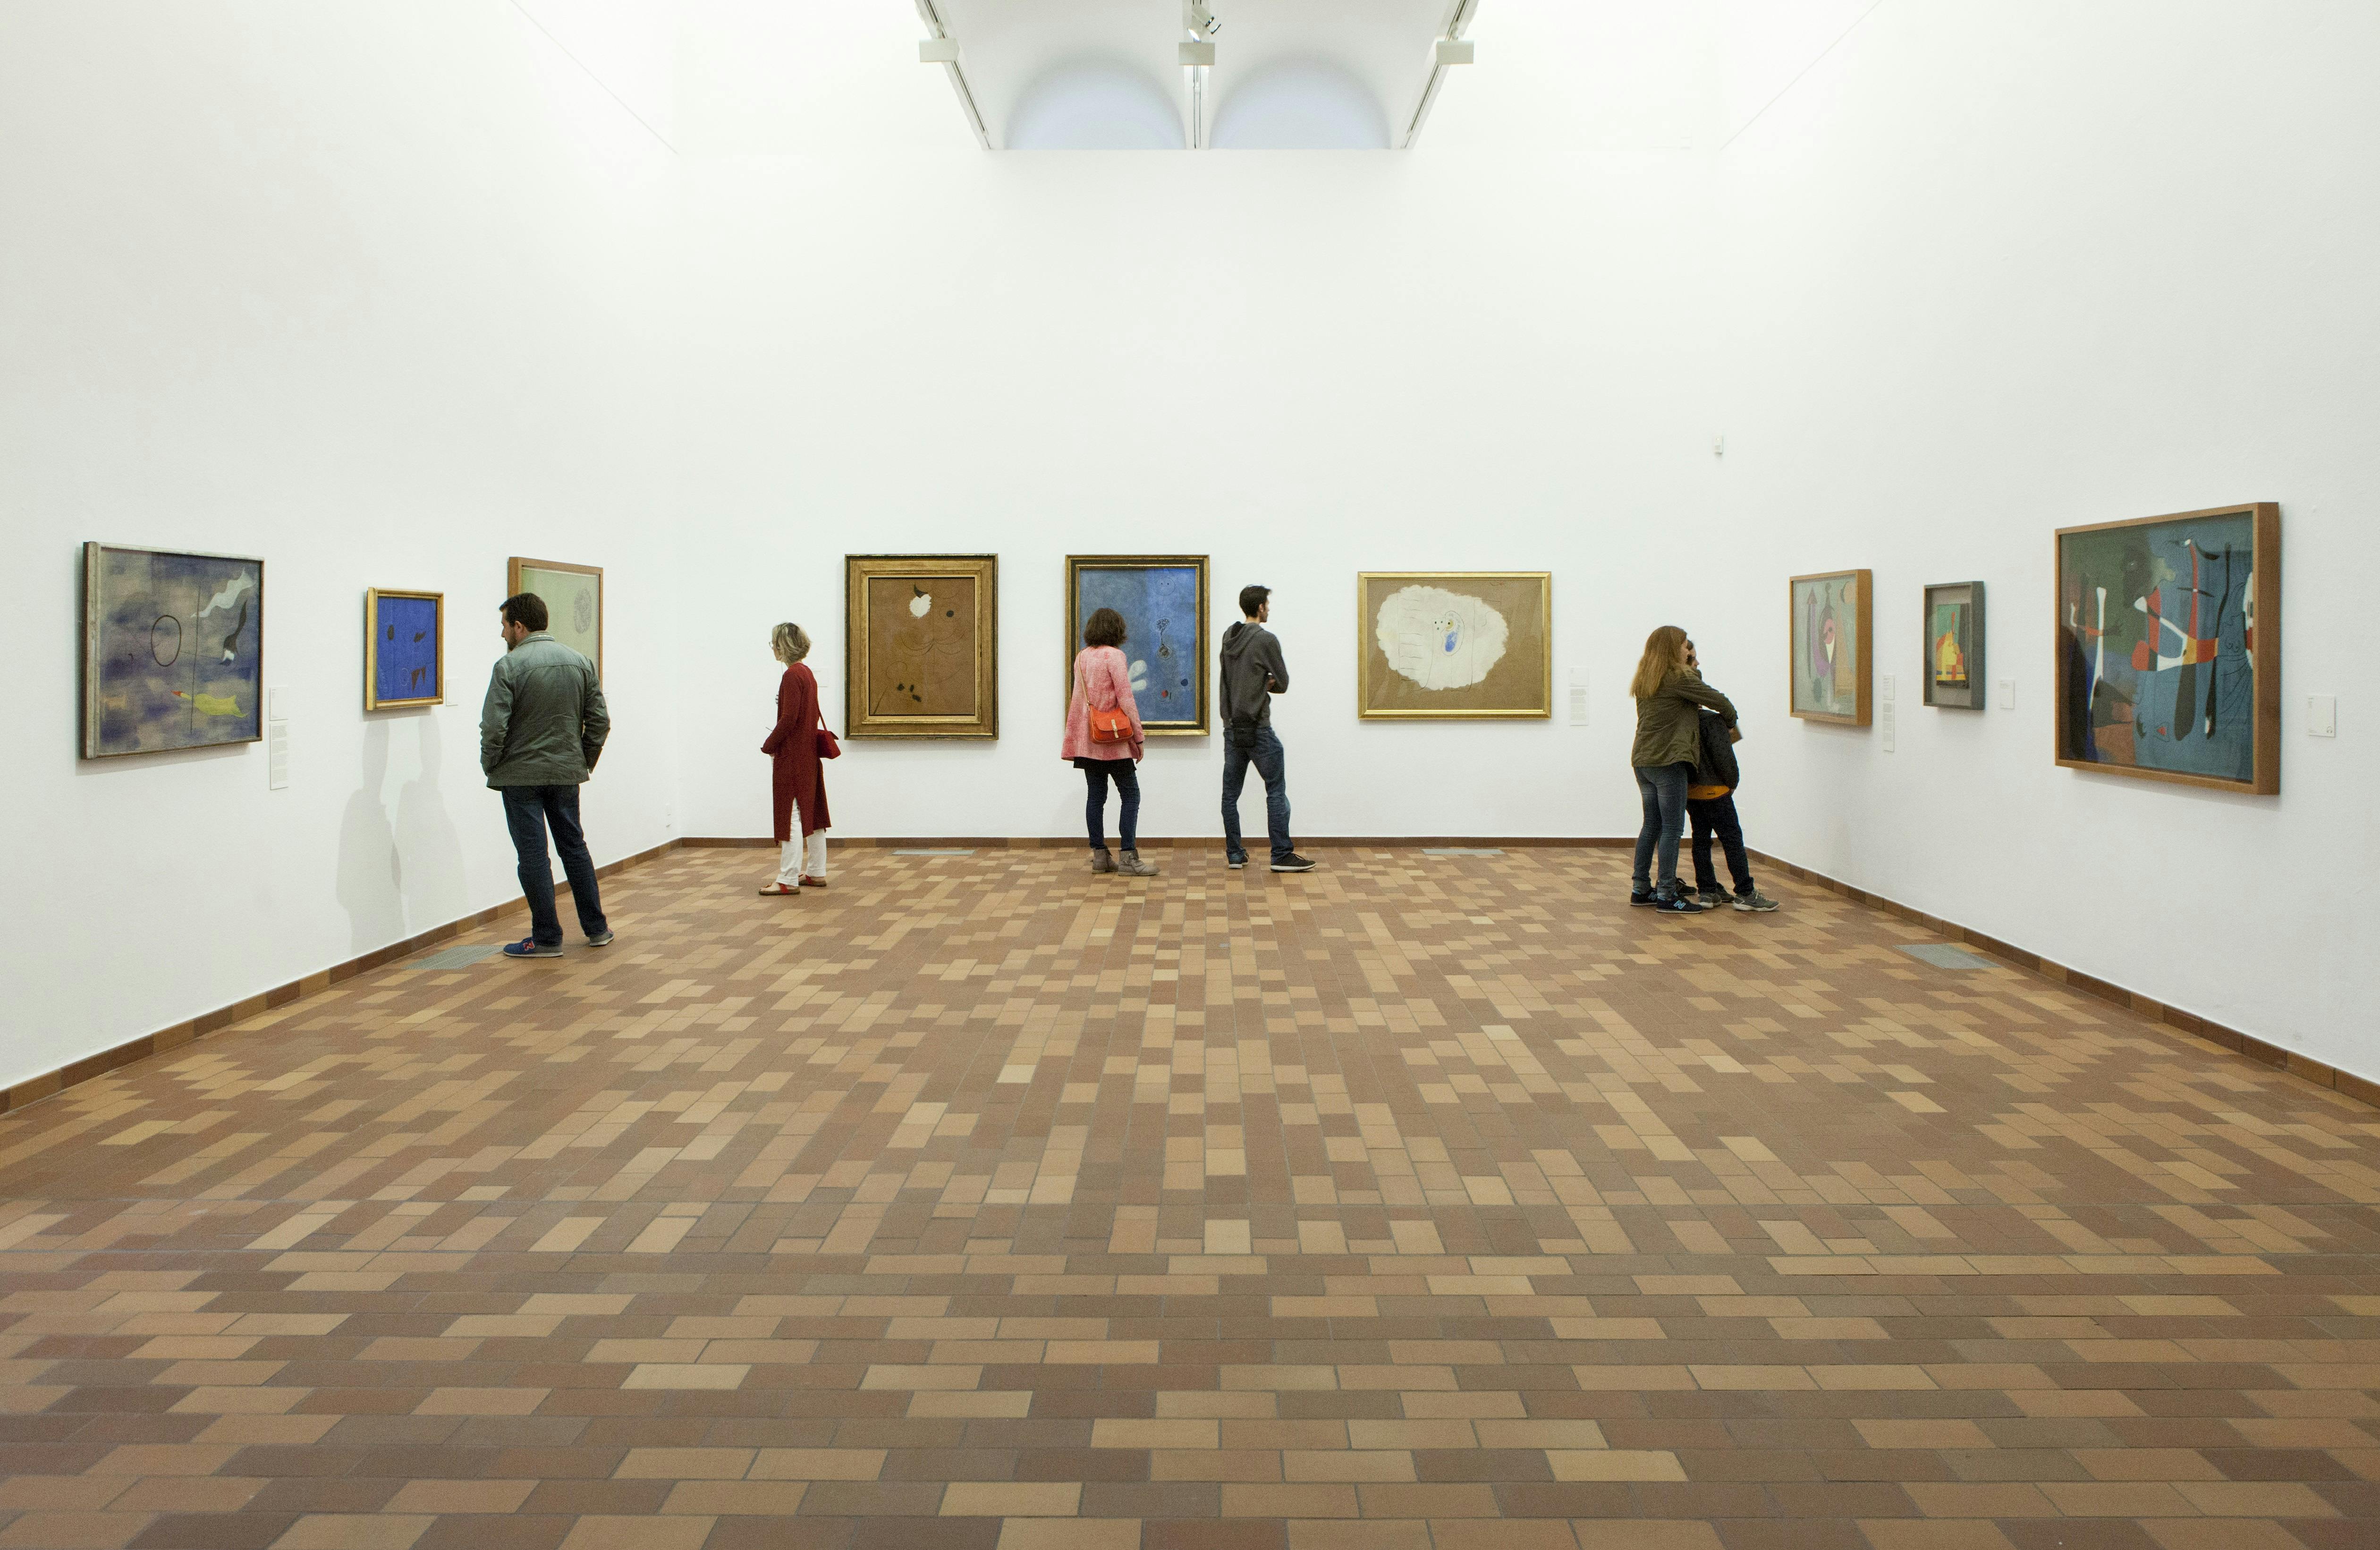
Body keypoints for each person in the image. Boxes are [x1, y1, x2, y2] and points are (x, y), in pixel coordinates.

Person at [481, 592, 612, 957]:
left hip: (519, 777)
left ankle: (546, 938)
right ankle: (597, 929)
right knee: (574, 848)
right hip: (566, 772)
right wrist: (581, 759)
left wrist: (490, 764)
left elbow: (494, 727)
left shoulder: (508, 667)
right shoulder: (579, 662)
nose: (503, 634)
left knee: (533, 856)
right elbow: (600, 721)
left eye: (505, 626)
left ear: (519, 626)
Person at [1628, 625, 1736, 913]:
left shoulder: (1646, 677)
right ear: (1674, 648)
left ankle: (1641, 888)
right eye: (1686, 646)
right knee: (1673, 828)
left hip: (1643, 761)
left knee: (1652, 825)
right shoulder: (1677, 677)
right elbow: (1718, 700)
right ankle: (1666, 894)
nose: (1689, 651)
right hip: (1669, 761)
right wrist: (1730, 723)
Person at [1220, 584, 1315, 873]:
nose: (1269, 609)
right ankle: (1281, 854)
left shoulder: (1228, 637)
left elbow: (1230, 680)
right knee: (1275, 791)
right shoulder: (1266, 640)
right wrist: (1267, 682)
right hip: (1259, 728)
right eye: (1268, 605)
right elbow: (1283, 682)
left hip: (1232, 728)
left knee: (1230, 796)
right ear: (1260, 607)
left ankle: (1235, 854)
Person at [1681, 639, 1779, 912]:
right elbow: (1726, 759)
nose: (1698, 662)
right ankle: (1745, 892)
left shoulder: (1679, 725)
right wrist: (1733, 783)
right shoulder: (1712, 721)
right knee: (1732, 839)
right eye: (1694, 659)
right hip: (1717, 791)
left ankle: (1707, 891)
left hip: (1692, 792)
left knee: (1700, 840)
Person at [1062, 607, 1155, 877]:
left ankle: (1100, 858)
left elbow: (1078, 702)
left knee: (1096, 797)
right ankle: (1129, 858)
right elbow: (1126, 699)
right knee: (1131, 795)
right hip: (1112, 740)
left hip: (1088, 740)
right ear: (1117, 630)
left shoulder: (1082, 657)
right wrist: (1138, 736)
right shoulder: (1115, 656)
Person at [759, 622, 831, 896]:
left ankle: (787, 878)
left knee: (790, 816)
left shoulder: (791, 675)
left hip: (792, 756)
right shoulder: (807, 673)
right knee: (812, 813)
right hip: (809, 753)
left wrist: (769, 745)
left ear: (783, 646)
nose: (773, 649)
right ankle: (816, 872)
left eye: (774, 643)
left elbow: (789, 718)